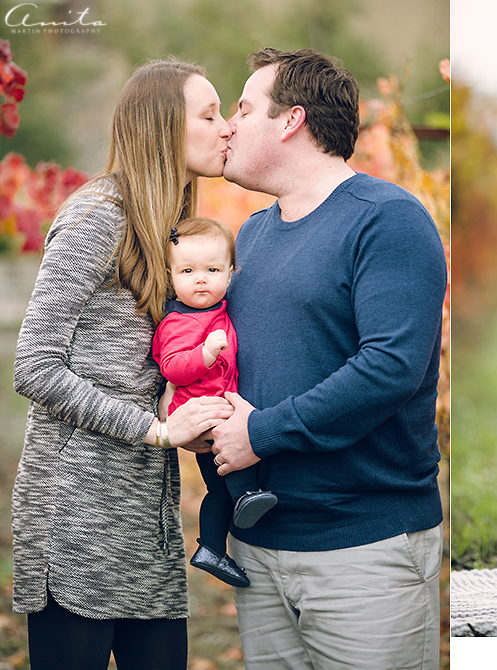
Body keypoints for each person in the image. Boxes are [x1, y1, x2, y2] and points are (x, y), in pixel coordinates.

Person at [210, 48, 446, 668]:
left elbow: (390, 367)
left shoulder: (387, 220)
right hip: (259, 545)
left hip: (363, 546)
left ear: (291, 120)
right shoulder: (256, 234)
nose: (228, 126)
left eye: (243, 108)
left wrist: (259, 432)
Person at [12, 59, 235, 670]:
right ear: (164, 129)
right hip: (77, 509)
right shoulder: (97, 218)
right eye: (210, 115)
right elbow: (33, 366)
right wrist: (157, 429)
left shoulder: (172, 233)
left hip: (145, 512)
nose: (227, 129)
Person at [152, 216, 277, 589]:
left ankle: (211, 548)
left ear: (231, 273)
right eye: (188, 270)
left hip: (215, 403)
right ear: (171, 275)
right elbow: (173, 368)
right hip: (198, 410)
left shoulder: (216, 309)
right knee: (226, 465)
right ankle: (247, 497)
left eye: (212, 269)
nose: (201, 278)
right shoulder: (178, 322)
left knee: (215, 487)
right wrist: (205, 354)